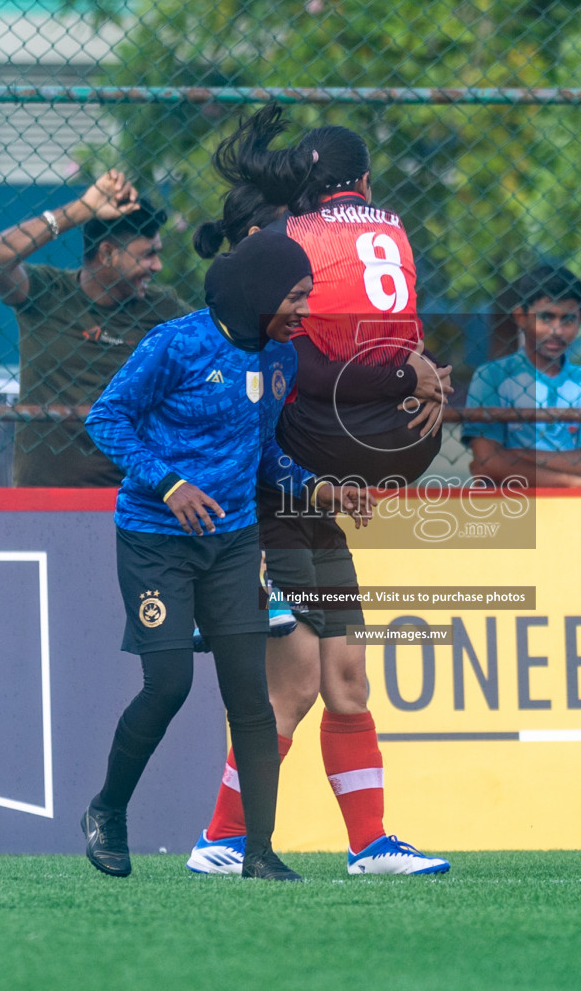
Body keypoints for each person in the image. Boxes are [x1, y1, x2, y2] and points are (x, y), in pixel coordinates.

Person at [186, 109, 453, 877]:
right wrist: (408, 377)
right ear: (363, 184)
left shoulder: (298, 255)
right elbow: (297, 378)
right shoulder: (267, 293)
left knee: (345, 681)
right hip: (268, 499)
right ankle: (221, 840)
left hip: (308, 498)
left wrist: (409, 375)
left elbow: (341, 357)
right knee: (296, 686)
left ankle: (369, 845)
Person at [80, 229, 369, 882]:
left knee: (251, 699)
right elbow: (106, 419)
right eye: (295, 297)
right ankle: (106, 811)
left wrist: (322, 488)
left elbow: (266, 457)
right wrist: (169, 484)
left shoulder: (279, 360)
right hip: (156, 542)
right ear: (260, 293)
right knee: (170, 685)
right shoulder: (176, 344)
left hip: (235, 543)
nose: (303, 310)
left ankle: (256, 852)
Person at [0, 170, 185, 487]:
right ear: (107, 253)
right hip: (43, 500)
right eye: (148, 254)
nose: (157, 266)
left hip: (132, 501)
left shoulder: (163, 311)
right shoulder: (46, 293)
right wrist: (80, 211)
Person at [465, 265, 581, 487]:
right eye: (546, 317)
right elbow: (488, 463)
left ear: (580, 320)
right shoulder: (491, 377)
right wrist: (573, 481)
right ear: (521, 317)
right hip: (506, 504)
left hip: (568, 508)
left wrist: (516, 455)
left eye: (567, 319)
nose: (557, 331)